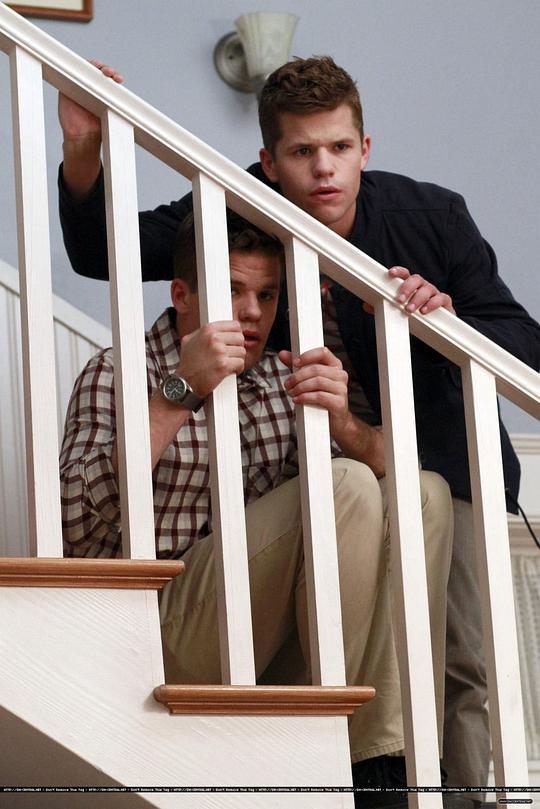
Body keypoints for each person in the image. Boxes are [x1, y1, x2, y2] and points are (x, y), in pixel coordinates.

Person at [57, 56, 540, 799]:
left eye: (340, 148)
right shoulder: (235, 211)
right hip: (303, 453)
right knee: (348, 511)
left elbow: (521, 342)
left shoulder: (431, 216)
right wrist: (84, 151)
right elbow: (102, 249)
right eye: (302, 151)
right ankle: (357, 758)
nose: (323, 169)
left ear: (364, 148)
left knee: (459, 660)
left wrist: (442, 323)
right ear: (269, 161)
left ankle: (443, 790)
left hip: (435, 451)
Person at [60, 211, 455, 807]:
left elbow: (376, 483)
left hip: (271, 639)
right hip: (154, 634)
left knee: (422, 492)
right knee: (345, 484)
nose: (251, 313)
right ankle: (331, 736)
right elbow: (72, 525)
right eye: (233, 291)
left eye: (267, 295)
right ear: (182, 295)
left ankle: (384, 767)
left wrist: (344, 422)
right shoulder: (119, 370)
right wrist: (181, 390)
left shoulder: (279, 377)